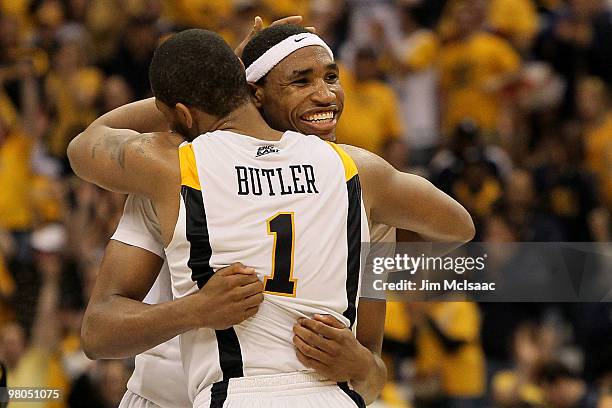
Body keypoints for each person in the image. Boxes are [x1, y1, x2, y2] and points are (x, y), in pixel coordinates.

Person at [68, 28, 474, 407]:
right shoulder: (176, 170)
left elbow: (369, 375)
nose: (324, 95)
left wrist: (363, 363)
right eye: (301, 81)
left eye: (331, 77)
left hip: (268, 391)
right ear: (252, 92)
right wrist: (194, 310)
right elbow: (100, 330)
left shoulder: (354, 186)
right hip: (167, 395)